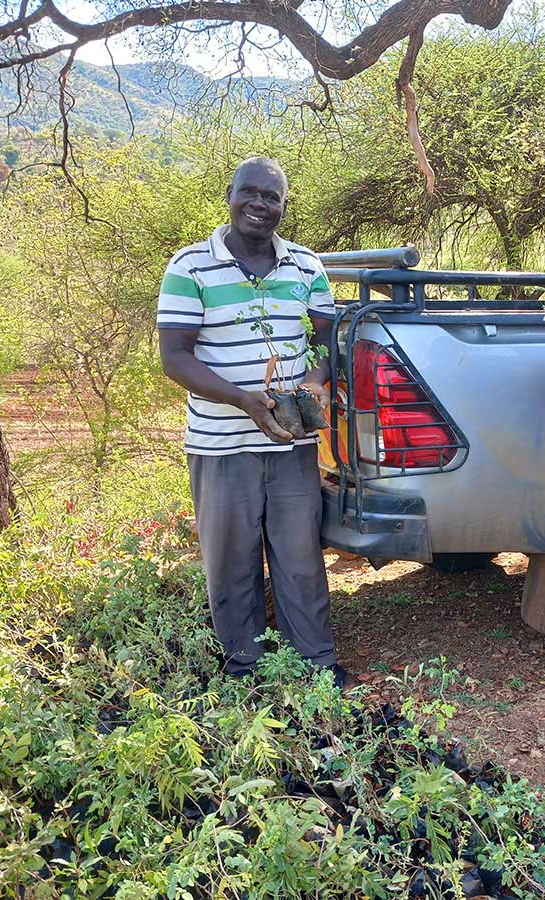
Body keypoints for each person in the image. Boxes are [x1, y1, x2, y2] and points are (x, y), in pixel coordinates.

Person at [156, 156, 356, 688]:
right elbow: (175, 357)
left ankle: (316, 668)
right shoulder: (191, 266)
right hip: (220, 443)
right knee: (230, 563)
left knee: (300, 560)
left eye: (272, 197)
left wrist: (314, 381)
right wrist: (244, 400)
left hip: (291, 441)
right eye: (251, 192)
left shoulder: (307, 266)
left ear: (283, 208)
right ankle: (243, 671)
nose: (259, 205)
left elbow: (324, 343)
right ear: (230, 194)